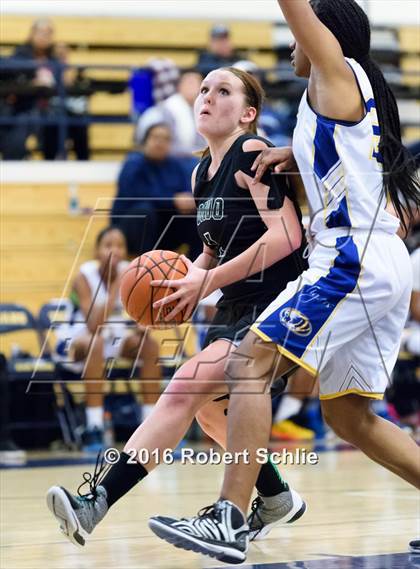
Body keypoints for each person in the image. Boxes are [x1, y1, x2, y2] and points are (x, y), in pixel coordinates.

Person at [149, 0, 420, 564]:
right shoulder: (344, 91)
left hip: (351, 259)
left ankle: (227, 516)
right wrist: (291, 155)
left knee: (250, 362)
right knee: (349, 416)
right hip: (379, 257)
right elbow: (344, 162)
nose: (292, 47)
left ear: (324, 35)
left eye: (300, 37)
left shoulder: (333, 70)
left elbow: (299, 15)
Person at [46, 66, 309, 546]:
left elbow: (288, 235)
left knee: (184, 386)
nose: (208, 96)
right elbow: (215, 246)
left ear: (248, 114)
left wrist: (207, 278)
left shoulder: (250, 153)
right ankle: (275, 498)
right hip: (234, 306)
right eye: (204, 89)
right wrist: (186, 284)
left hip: (280, 305)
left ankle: (95, 502)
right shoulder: (199, 172)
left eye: (223, 91)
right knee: (211, 413)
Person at [54, 226, 162, 451]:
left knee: (149, 345)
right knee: (96, 343)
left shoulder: (130, 272)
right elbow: (93, 325)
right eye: (108, 245)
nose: (115, 251)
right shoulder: (84, 276)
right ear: (97, 252)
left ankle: (151, 423)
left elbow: (137, 311)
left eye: (120, 246)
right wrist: (115, 286)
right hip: (76, 338)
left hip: (112, 337)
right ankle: (94, 426)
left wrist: (141, 325)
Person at [110, 123, 201, 258]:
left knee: (198, 214)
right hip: (130, 228)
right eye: (156, 137)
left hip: (162, 229)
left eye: (165, 139)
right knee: (145, 211)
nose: (160, 142)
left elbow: (186, 191)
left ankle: (196, 267)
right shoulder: (133, 163)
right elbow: (135, 195)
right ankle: (143, 264)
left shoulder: (176, 166)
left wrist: (190, 201)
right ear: (145, 141)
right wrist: (172, 201)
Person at [2, 19, 59, 160]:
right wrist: (33, 78)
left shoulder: (54, 59)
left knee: (69, 123)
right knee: (20, 125)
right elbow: (12, 77)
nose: (44, 37)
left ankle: (53, 164)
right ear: (32, 34)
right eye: (41, 33)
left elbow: (59, 83)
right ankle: (14, 162)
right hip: (22, 107)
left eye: (48, 33)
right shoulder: (20, 54)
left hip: (49, 108)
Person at [135, 69, 205, 158]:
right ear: (179, 86)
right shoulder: (167, 110)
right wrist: (196, 154)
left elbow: (203, 143)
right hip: (169, 159)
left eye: (196, 83)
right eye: (189, 83)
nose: (192, 87)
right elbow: (166, 146)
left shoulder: (201, 109)